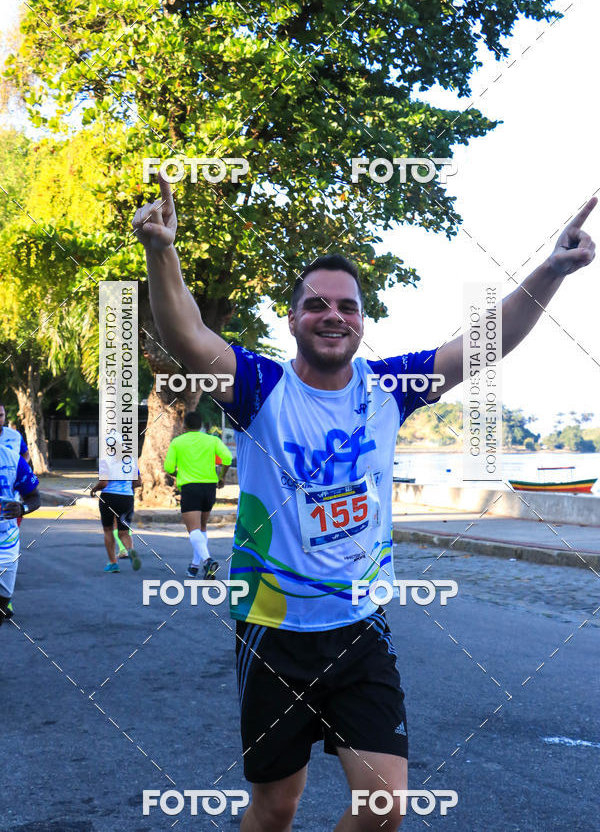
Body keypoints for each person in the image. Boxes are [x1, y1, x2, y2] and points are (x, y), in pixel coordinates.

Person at [134, 175, 596, 831]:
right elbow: (189, 336)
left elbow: (483, 343)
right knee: (275, 807)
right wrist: (161, 250)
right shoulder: (260, 387)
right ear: (292, 320)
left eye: (348, 307)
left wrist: (551, 269)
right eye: (317, 305)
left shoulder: (389, 387)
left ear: (361, 322)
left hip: (361, 626)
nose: (333, 316)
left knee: (385, 807)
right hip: (271, 626)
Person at [163, 412, 232, 579]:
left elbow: (169, 467)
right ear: (201, 425)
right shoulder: (212, 440)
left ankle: (208, 561)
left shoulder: (177, 442)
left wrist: (177, 473)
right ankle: (194, 567)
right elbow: (227, 458)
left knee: (193, 529)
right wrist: (221, 477)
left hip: (190, 487)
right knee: (201, 528)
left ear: (184, 426)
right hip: (209, 487)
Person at [0, 442, 41, 625]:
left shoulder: (13, 460)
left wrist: (22, 508)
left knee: (2, 604)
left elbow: (34, 497)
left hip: (5, 541)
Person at [91, 474, 142, 573]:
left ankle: (113, 563)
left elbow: (103, 483)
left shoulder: (106, 459)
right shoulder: (131, 460)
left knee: (108, 530)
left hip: (109, 497)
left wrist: (94, 489)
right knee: (124, 532)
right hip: (127, 498)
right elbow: (138, 482)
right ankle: (130, 550)